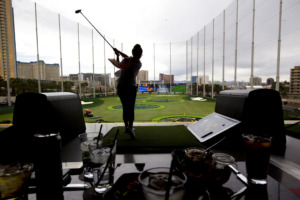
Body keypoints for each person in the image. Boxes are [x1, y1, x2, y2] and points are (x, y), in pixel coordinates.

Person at [109, 44, 143, 139]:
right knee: (130, 108)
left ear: (133, 53)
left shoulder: (127, 61)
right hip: (131, 88)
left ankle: (126, 127)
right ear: (140, 55)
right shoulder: (139, 64)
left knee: (125, 107)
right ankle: (130, 127)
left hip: (122, 87)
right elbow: (128, 58)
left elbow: (120, 65)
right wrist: (119, 52)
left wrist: (117, 55)